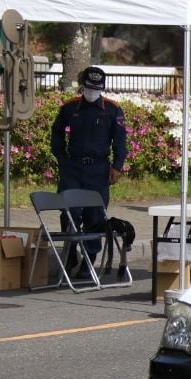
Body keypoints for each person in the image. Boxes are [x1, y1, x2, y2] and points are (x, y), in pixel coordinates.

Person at [50, 66, 126, 262]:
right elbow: (56, 133)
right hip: (73, 168)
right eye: (89, 88)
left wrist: (117, 166)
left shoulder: (112, 109)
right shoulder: (70, 107)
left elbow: (120, 141)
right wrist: (61, 158)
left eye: (96, 89)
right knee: (69, 212)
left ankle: (88, 262)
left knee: (95, 216)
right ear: (83, 86)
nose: (92, 92)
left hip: (98, 170)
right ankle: (70, 256)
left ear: (102, 88)